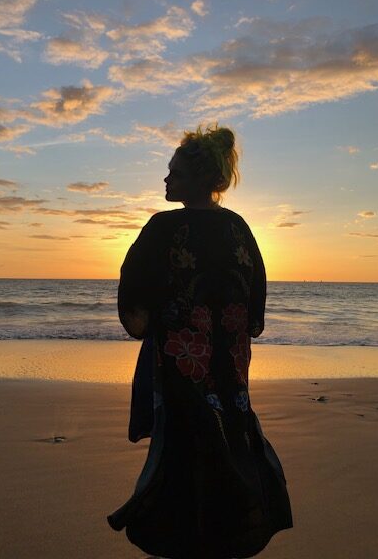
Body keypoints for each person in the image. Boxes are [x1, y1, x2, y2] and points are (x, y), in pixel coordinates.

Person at [107, 125, 293, 558]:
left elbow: (134, 287)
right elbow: (255, 298)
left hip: (180, 359)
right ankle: (229, 533)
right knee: (230, 435)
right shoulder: (238, 228)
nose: (166, 179)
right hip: (229, 360)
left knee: (183, 443)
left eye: (174, 173)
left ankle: (187, 539)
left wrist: (152, 319)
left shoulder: (163, 226)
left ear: (199, 178)